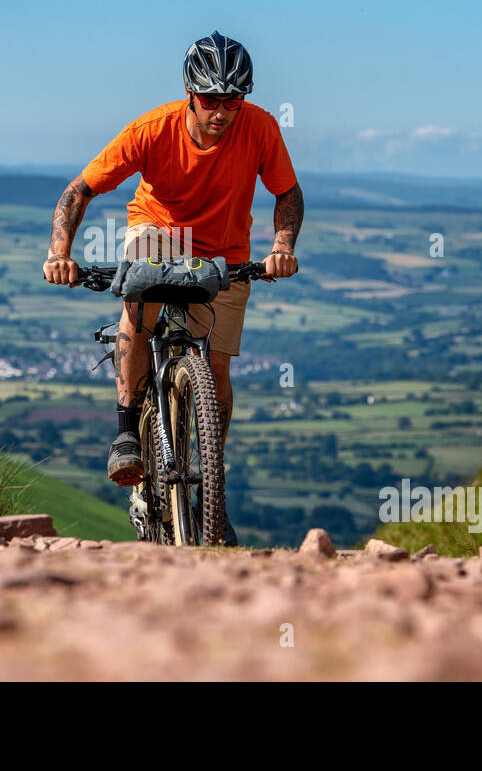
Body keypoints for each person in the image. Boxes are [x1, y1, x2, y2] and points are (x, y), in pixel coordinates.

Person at [42, 31, 303, 545]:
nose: (222, 112)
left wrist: (283, 244)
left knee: (218, 368)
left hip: (225, 252)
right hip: (160, 232)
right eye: (211, 100)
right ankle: (124, 430)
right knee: (139, 297)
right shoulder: (152, 129)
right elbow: (80, 189)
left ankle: (210, 493)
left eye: (233, 101)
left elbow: (287, 193)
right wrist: (59, 253)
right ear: (190, 92)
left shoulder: (261, 129)